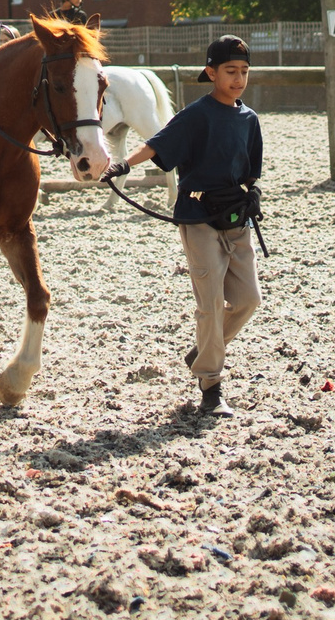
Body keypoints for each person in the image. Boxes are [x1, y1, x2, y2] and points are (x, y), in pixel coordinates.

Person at [113, 35, 263, 415]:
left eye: (244, 72)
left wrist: (251, 196)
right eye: (230, 71)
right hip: (198, 219)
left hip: (236, 220)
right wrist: (123, 166)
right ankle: (211, 387)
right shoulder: (196, 114)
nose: (238, 79)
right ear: (211, 73)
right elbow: (158, 144)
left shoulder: (249, 120)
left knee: (248, 301)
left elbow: (251, 172)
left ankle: (204, 348)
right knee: (210, 304)